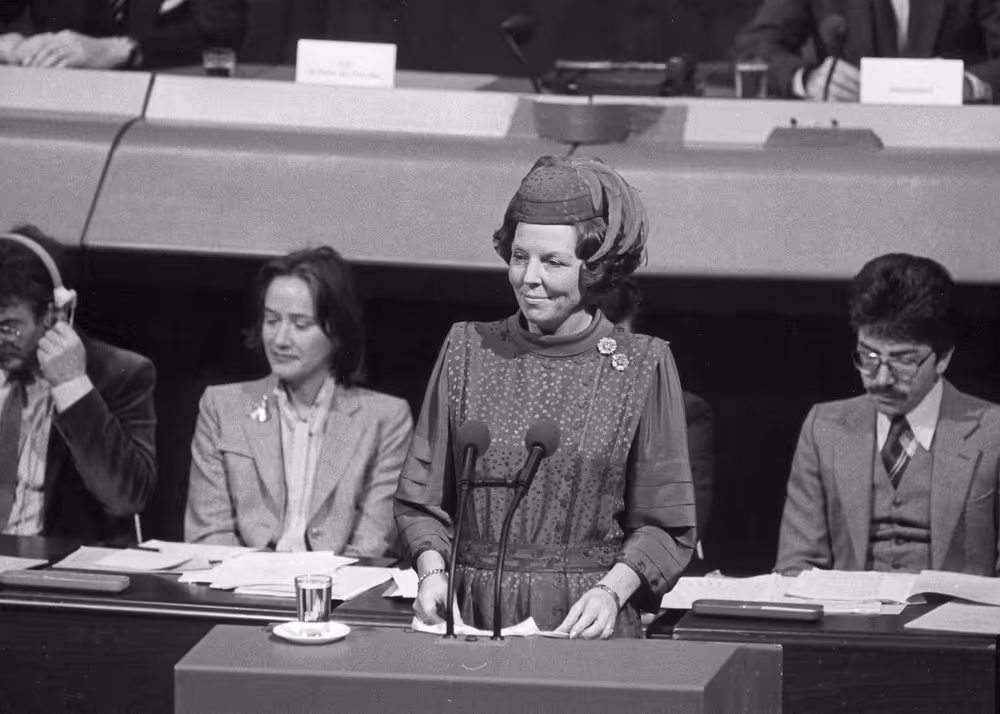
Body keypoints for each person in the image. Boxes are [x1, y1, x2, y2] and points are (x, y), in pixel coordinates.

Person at [394, 156, 696, 639]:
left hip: (583, 620)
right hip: (469, 613)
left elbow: (665, 526)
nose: (528, 277)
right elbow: (421, 503)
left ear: (593, 268)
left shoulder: (641, 365)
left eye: (552, 262)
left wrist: (613, 591)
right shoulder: (466, 348)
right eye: (519, 256)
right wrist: (432, 571)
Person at [775, 253, 1000, 576]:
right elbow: (797, 565)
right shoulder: (824, 427)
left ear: (943, 359)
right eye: (868, 356)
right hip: (848, 622)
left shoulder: (992, 431)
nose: (881, 379)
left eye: (904, 361)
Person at [185, 246, 413, 557]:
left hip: (338, 596)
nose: (279, 339)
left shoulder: (385, 418)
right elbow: (209, 533)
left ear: (336, 331)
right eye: (271, 320)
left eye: (300, 324)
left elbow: (372, 544)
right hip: (240, 594)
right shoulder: (221, 407)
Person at [0, 225, 156, 543]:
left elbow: (124, 497)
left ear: (56, 313)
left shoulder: (120, 374)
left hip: (63, 572)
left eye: (9, 327)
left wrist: (72, 386)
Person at [733, 0, 1000, 102]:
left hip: (958, 141)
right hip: (850, 145)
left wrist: (971, 84)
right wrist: (806, 79)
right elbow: (754, 46)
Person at [0, 0, 246, 70]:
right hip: (54, 95)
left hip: (158, 108)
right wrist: (6, 44)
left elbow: (221, 33)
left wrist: (119, 50)